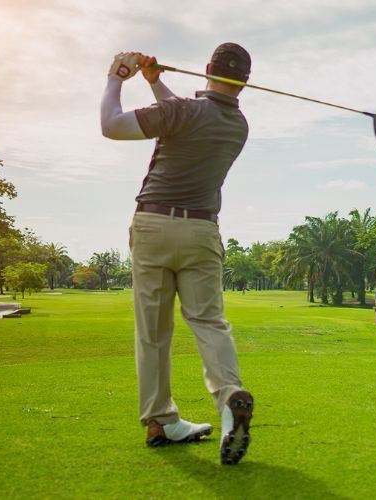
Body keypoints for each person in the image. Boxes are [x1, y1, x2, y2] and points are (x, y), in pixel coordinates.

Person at [100, 43, 255, 465]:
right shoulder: (238, 126)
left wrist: (117, 77)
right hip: (202, 231)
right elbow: (185, 117)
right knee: (209, 322)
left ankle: (159, 419)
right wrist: (155, 83)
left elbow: (112, 126)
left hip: (153, 227)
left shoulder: (182, 112)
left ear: (206, 69)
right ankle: (228, 402)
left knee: (153, 331)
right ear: (244, 82)